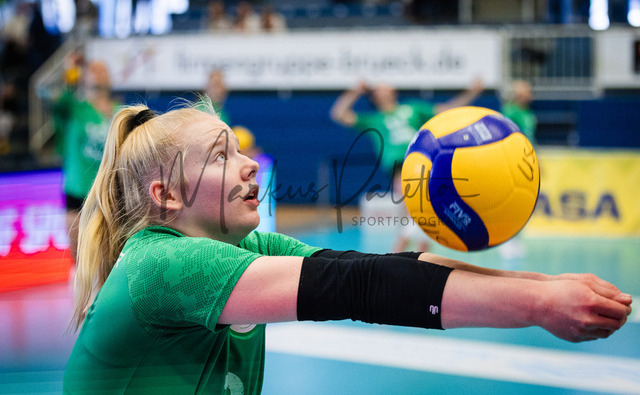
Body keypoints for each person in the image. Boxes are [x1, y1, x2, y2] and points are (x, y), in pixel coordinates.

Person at [64, 100, 632, 393]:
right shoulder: (164, 264)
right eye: (220, 157)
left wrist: (547, 286)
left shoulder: (246, 247)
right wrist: (540, 306)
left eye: (240, 150)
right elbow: (361, 288)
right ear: (165, 196)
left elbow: (379, 268)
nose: (249, 165)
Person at [330, 79, 485, 178]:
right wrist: (356, 91)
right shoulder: (374, 120)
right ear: (374, 96)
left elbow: (445, 110)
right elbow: (338, 114)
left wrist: (472, 92)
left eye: (386, 87)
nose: (384, 89)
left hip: (423, 157)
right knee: (409, 198)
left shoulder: (412, 108)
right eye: (380, 88)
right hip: (398, 164)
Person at [52, 58, 118, 261]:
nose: (97, 73)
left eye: (102, 70)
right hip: (78, 191)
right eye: (92, 70)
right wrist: (71, 69)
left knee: (108, 261)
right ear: (84, 78)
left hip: (110, 193)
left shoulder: (120, 111)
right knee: (80, 261)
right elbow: (57, 100)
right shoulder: (74, 108)